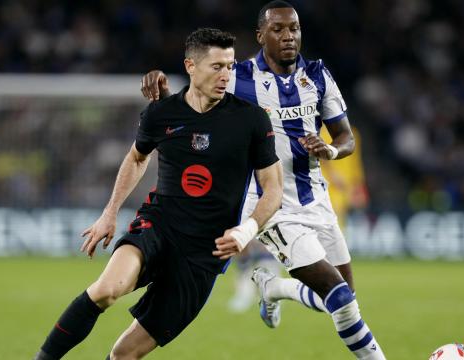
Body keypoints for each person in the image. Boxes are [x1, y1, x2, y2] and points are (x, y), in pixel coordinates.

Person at [141, 2, 386, 359]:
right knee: (342, 301)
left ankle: (272, 289)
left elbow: (345, 137)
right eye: (278, 29)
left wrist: (332, 151)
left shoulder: (318, 76)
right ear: (261, 35)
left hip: (317, 200)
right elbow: (194, 100)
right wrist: (163, 92)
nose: (288, 36)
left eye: (294, 29)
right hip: (271, 204)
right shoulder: (238, 77)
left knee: (341, 300)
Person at [33, 28, 283, 360]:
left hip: (204, 254)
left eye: (230, 66)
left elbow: (274, 189)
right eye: (216, 66)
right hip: (158, 227)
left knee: (124, 354)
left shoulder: (250, 120)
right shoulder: (161, 113)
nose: (225, 75)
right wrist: (110, 213)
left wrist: (246, 229)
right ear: (191, 66)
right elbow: (137, 157)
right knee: (107, 291)